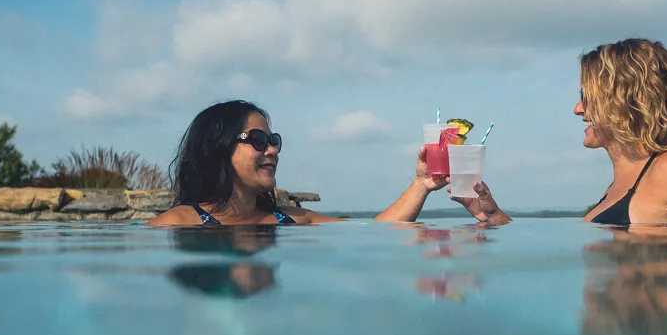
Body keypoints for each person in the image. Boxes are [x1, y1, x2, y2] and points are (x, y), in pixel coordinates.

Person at [450, 39, 667, 225]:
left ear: (627, 102)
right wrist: (494, 216)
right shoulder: (623, 183)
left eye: (587, 97)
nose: (578, 109)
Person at [148, 100, 447, 226]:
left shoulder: (290, 220)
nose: (272, 151)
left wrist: (421, 184)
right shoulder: (179, 223)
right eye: (258, 140)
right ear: (218, 148)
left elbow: (376, 230)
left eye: (273, 140)